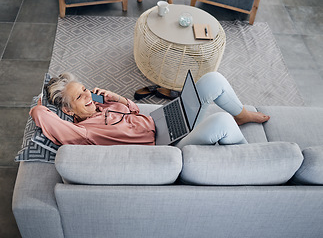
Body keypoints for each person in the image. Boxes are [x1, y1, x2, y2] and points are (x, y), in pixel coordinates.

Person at [30, 72, 270, 148]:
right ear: (70, 111)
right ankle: (247, 160)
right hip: (165, 146)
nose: (87, 96)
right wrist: (39, 108)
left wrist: (119, 99)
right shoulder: (84, 132)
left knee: (212, 79)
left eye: (84, 89)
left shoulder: (102, 105)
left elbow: (135, 114)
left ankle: (243, 114)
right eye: (79, 97)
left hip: (160, 122)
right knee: (222, 122)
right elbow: (42, 116)